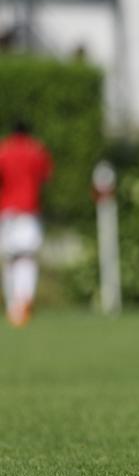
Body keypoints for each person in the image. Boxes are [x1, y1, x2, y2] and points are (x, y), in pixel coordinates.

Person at [0, 119, 53, 327]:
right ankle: (24, 301)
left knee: (11, 259)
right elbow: (46, 176)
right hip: (29, 210)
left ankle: (13, 305)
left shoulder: (3, 150)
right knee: (27, 258)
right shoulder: (36, 150)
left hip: (6, 212)